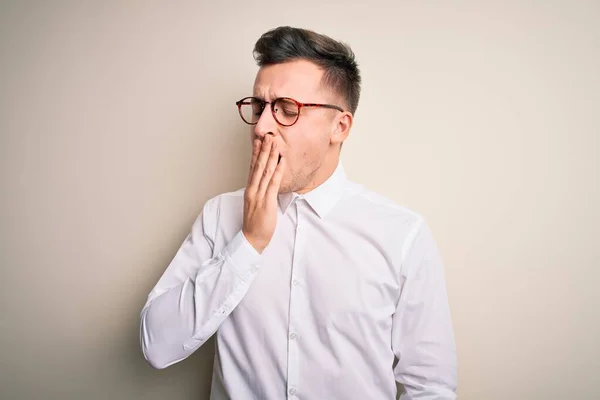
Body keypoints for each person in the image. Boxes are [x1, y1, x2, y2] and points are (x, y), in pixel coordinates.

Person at [140, 26, 457, 400]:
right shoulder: (218, 216)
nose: (261, 127)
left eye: (286, 110)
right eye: (258, 107)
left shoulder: (402, 236)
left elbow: (431, 387)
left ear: (340, 126)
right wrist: (248, 244)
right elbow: (156, 345)